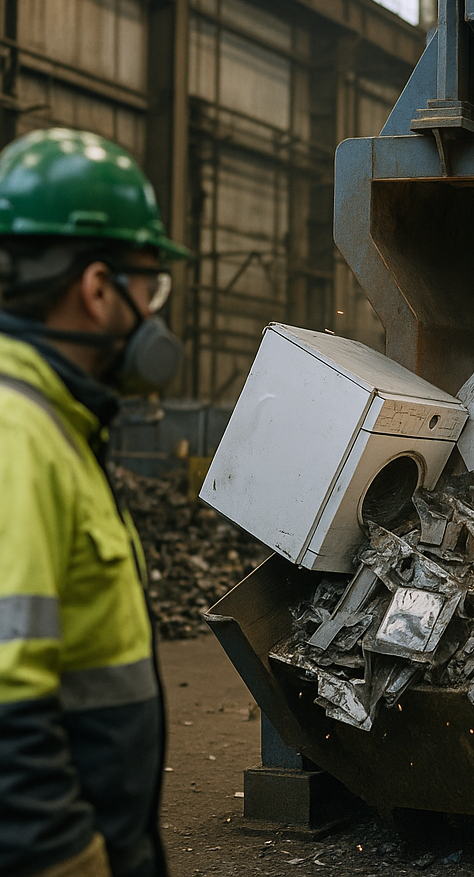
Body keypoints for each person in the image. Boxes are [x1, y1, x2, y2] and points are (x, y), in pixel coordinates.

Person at [0, 129, 190, 877]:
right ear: (98, 287)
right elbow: (7, 712)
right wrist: (65, 858)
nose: (154, 311)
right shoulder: (18, 435)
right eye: (151, 287)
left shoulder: (57, 421)